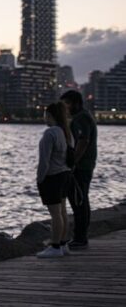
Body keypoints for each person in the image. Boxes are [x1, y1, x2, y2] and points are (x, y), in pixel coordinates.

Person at [35, 101, 73, 259]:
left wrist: (40, 179)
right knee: (62, 211)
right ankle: (63, 244)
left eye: (45, 115)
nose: (44, 118)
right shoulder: (66, 132)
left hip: (53, 177)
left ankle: (55, 246)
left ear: (50, 115)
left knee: (55, 214)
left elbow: (44, 161)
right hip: (65, 175)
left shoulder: (50, 133)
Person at [60, 89, 97, 250]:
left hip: (81, 167)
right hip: (84, 165)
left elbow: (83, 141)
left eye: (67, 104)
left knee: (78, 202)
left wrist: (73, 162)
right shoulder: (83, 116)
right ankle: (80, 237)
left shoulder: (81, 118)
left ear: (76, 103)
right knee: (81, 200)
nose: (65, 108)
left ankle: (80, 238)